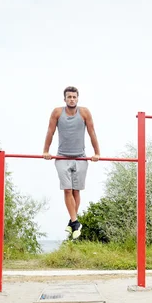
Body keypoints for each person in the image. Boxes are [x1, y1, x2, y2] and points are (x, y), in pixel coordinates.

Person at [42, 86, 100, 239]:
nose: (72, 99)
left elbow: (92, 132)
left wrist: (97, 153)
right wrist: (46, 151)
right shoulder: (57, 112)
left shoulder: (84, 112)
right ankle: (75, 222)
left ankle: (72, 223)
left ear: (78, 98)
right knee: (67, 189)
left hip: (80, 157)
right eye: (69, 97)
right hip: (62, 157)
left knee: (76, 191)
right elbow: (50, 131)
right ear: (65, 99)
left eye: (74, 97)